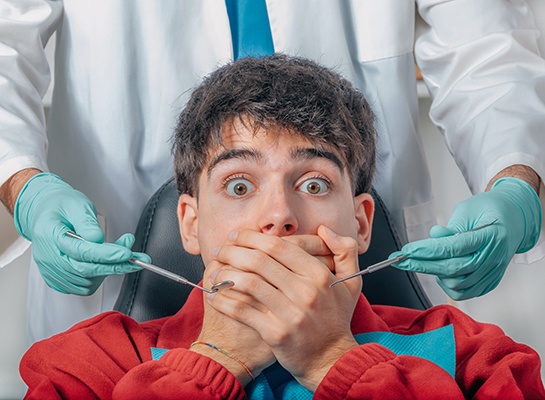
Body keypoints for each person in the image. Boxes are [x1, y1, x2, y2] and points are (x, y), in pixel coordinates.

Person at [2, 1, 545, 345]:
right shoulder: (88, 368)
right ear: (186, 222)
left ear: (362, 219)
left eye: (312, 184)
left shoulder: (465, 358)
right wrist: (26, 188)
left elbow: (488, 50)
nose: (278, 216)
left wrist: (515, 184)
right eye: (240, 186)